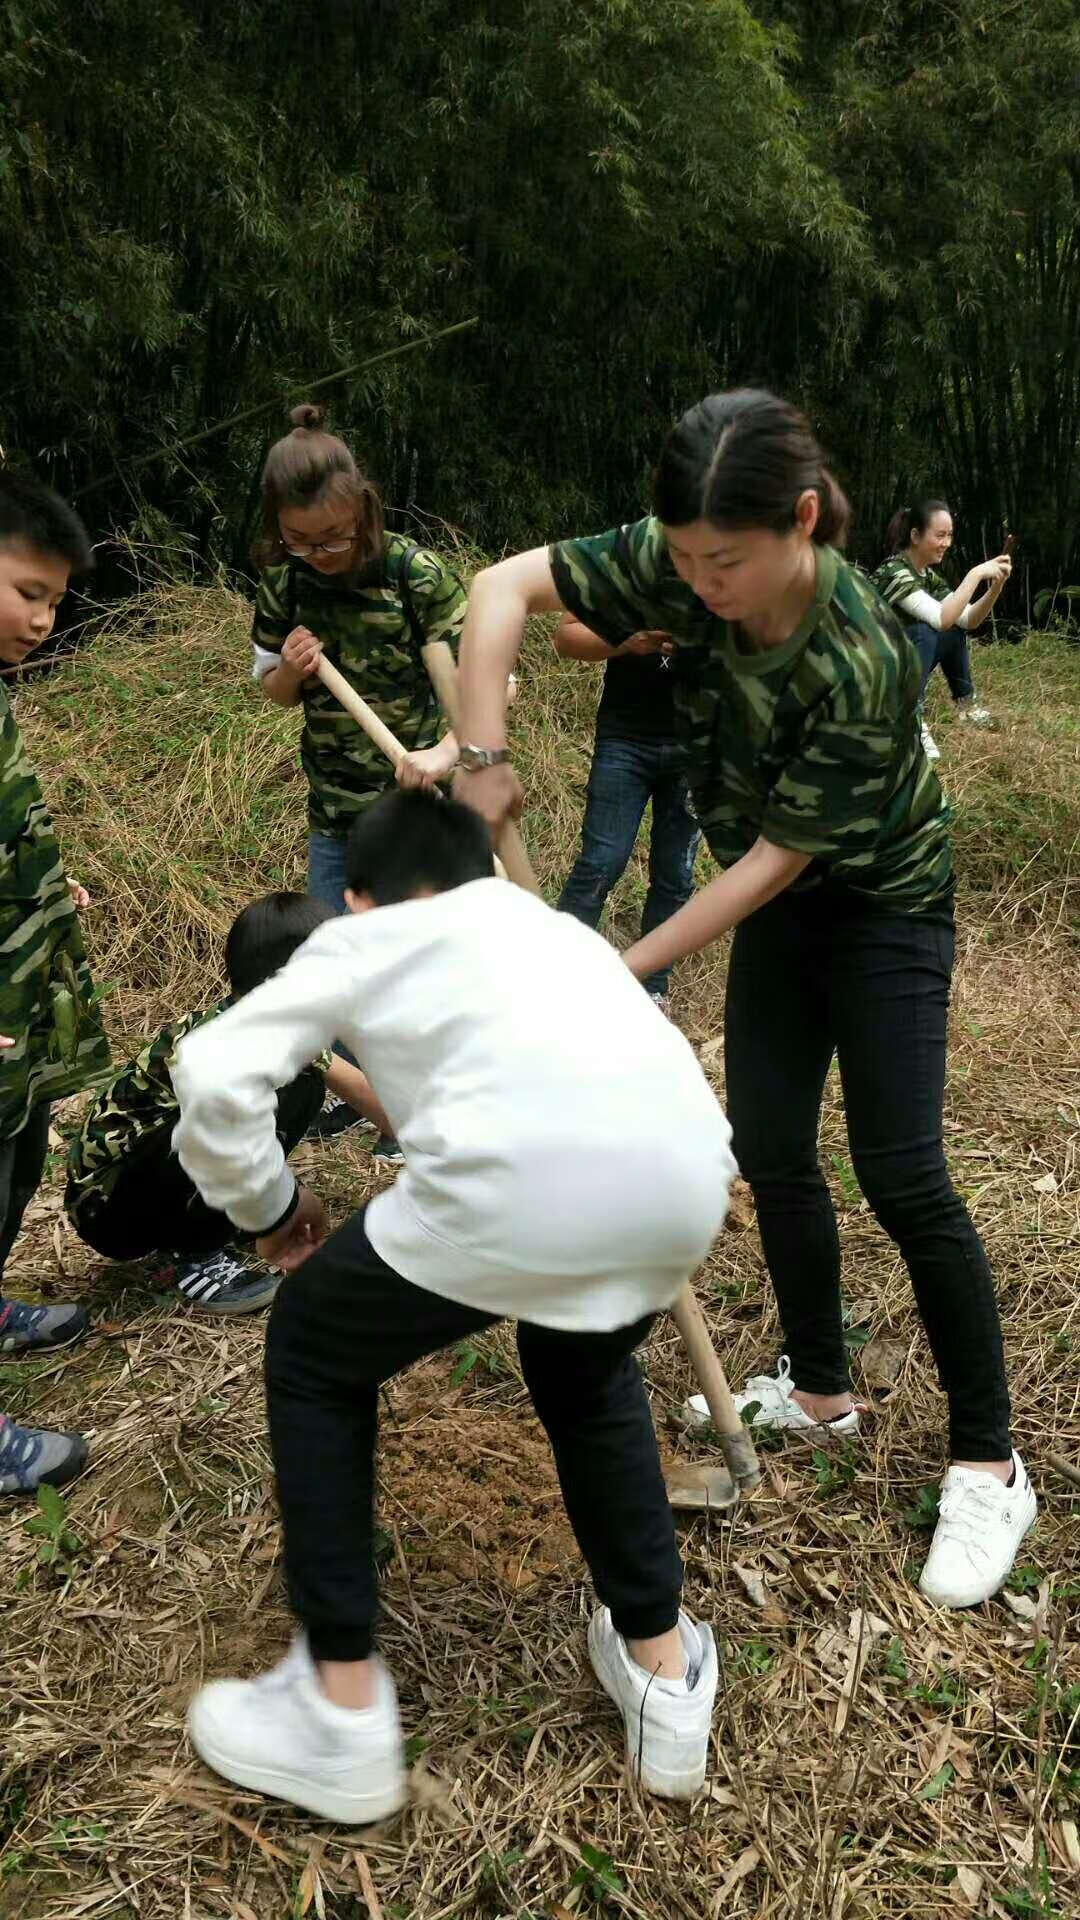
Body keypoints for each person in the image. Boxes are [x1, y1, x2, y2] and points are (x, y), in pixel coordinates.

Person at [451, 388, 1036, 1612]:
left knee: (903, 1170)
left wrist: (615, 971)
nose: (697, 585)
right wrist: (484, 758)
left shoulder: (866, 651)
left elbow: (778, 858)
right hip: (779, 904)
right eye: (680, 559)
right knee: (768, 1149)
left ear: (804, 522)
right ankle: (821, 1385)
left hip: (879, 905)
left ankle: (991, 1458)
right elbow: (500, 591)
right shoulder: (680, 557)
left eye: (723, 561)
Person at [173, 788, 735, 1819]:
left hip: (513, 1190)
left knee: (309, 1347)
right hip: (686, 1182)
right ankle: (663, 1670)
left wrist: (269, 1208)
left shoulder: (362, 939)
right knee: (582, 1362)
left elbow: (212, 1073)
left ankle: (338, 1708)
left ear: (354, 897)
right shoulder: (552, 926)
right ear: (479, 869)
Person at [251, 402, 465, 1148]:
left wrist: (442, 754)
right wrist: (294, 668)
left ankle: (429, 1103)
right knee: (337, 956)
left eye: (334, 535)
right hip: (335, 807)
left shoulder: (414, 573)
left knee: (416, 965)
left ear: (363, 508)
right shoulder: (287, 585)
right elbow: (272, 690)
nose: (320, 551)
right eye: (299, 539)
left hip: (416, 810)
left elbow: (486, 688)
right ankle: (363, 1097)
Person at [65, 894, 390, 1314]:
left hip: (150, 1181)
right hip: (109, 1208)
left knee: (305, 1084)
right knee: (254, 1103)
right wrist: (285, 1206)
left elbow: (367, 1095)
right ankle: (192, 1253)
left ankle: (223, 1217)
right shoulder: (218, 1049)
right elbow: (216, 1135)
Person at [0, 472, 110, 1495]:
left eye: (56, 602)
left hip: (17, 987)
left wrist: (40, 878)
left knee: (16, 1153)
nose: (43, 619)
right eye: (29, 590)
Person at [554, 614, 700, 1007]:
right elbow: (566, 638)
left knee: (675, 874)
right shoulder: (632, 565)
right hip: (625, 741)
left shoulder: (732, 570)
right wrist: (628, 640)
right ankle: (556, 978)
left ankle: (652, 989)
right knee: (601, 862)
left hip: (699, 748)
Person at [871, 502, 1011, 761]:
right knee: (924, 631)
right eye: (940, 535)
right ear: (915, 536)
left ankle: (966, 705)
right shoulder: (895, 572)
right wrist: (976, 573)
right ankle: (910, 719)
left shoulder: (926, 576)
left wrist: (995, 588)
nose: (947, 543)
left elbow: (967, 619)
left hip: (895, 663)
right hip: (870, 671)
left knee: (952, 631)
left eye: (949, 535)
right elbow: (940, 618)